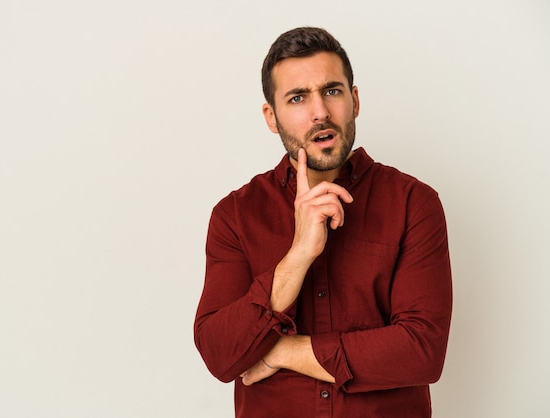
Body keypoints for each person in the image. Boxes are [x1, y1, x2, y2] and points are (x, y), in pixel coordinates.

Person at [193, 27, 452, 418]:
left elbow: (421, 352)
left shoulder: (414, 203)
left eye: (332, 91)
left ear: (355, 100)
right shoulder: (235, 216)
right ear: (272, 117)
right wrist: (297, 256)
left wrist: (281, 351)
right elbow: (219, 354)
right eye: (297, 98)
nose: (320, 112)